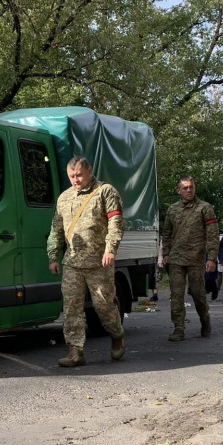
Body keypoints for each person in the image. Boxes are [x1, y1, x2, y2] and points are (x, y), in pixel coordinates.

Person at [46, 157, 125, 367]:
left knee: (103, 306)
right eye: (71, 176)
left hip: (99, 262)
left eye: (79, 175)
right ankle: (75, 352)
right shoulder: (64, 198)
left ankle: (117, 336)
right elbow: (56, 229)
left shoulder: (105, 192)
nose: (75, 180)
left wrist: (110, 249)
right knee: (72, 307)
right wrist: (53, 256)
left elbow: (116, 223)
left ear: (89, 171)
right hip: (72, 262)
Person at [161, 176, 219, 341]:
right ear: (179, 190)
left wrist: (212, 258)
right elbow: (166, 234)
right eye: (185, 188)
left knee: (197, 293)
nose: (188, 190)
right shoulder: (172, 209)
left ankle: (204, 319)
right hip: (176, 260)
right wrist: (166, 254)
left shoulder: (204, 208)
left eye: (191, 187)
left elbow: (213, 234)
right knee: (176, 294)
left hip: (196, 259)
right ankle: (178, 328)